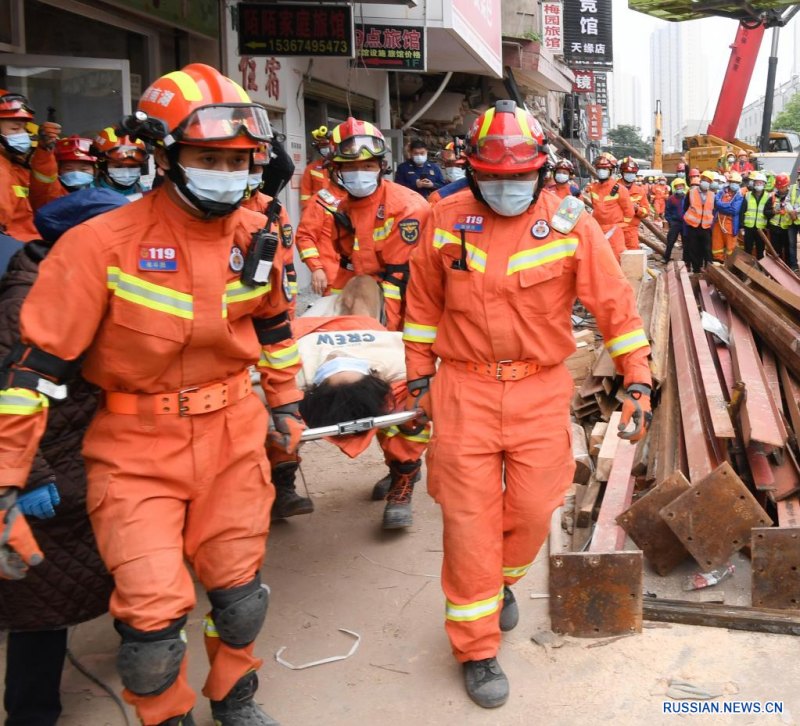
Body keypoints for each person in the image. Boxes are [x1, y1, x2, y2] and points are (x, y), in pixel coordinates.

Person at [0, 63, 304, 726]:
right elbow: (32, 372)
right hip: (135, 451)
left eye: (238, 159)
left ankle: (234, 695)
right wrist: (6, 477)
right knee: (152, 626)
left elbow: (275, 325)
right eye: (206, 157)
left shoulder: (257, 238)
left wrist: (285, 402)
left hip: (234, 436)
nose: (225, 171)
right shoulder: (98, 246)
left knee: (240, 595)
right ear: (165, 157)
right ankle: (167, 716)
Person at [401, 99, 652, 710]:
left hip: (540, 388)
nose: (505, 189)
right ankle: (476, 646)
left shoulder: (570, 223)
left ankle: (503, 581)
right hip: (463, 389)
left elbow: (613, 305)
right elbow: (421, 308)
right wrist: (417, 383)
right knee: (468, 523)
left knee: (538, 507)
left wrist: (637, 379)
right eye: (492, 178)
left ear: (541, 171)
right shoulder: (445, 218)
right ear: (472, 171)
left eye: (518, 178)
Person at [1, 188, 124, 726]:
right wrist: (27, 473)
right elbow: (10, 394)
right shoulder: (25, 301)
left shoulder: (79, 280)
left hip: (91, 452)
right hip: (46, 463)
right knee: (41, 598)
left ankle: (142, 653)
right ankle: (31, 715)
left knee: (128, 564)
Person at [326, 117, 433, 525]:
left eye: (368, 166)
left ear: (382, 166)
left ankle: (405, 475)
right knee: (370, 393)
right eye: (351, 168)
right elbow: (344, 265)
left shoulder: (409, 206)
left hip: (408, 317)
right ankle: (396, 469)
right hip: (369, 315)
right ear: (337, 170)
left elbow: (409, 277)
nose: (359, 174)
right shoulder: (341, 210)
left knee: (407, 397)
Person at [267, 275, 431, 526]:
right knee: (281, 414)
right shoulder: (294, 365)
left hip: (342, 336)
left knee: (410, 412)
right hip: (316, 330)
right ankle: (283, 483)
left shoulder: (395, 359)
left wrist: (418, 406)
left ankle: (403, 476)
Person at [0, 90, 57, 241]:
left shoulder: (14, 166)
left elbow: (44, 202)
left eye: (24, 128)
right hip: (13, 252)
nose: (22, 134)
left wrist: (44, 153)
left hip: (27, 246)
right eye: (15, 128)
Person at [295, 162, 344, 296]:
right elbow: (304, 237)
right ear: (330, 171)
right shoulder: (319, 201)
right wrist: (316, 268)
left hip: (364, 276)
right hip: (334, 277)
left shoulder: (361, 200)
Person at [584, 152, 633, 260]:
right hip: (597, 230)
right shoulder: (593, 188)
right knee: (598, 259)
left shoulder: (620, 189)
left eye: (605, 169)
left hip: (614, 232)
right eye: (600, 168)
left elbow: (629, 212)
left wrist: (620, 226)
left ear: (611, 170)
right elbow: (594, 207)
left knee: (615, 260)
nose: (602, 171)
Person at [29, 135, 98, 209]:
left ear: (95, 171)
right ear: (58, 171)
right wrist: (45, 151)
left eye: (84, 169)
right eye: (68, 169)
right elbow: (44, 172)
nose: (76, 174)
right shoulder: (52, 194)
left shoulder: (102, 195)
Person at [92, 127, 150, 198]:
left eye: (133, 166)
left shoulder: (146, 193)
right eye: (118, 166)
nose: (127, 173)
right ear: (102, 165)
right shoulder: (87, 197)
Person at [683, 169, 716, 273]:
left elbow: (713, 210)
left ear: (710, 183)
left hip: (706, 227)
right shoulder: (691, 192)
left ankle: (708, 268)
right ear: (700, 180)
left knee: (707, 249)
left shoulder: (712, 195)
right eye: (704, 179)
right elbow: (686, 207)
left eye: (708, 181)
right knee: (693, 248)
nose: (706, 182)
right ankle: (696, 269)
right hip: (693, 226)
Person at [618, 157, 650, 250]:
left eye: (632, 173)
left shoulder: (640, 191)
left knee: (632, 257)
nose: (630, 175)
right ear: (622, 173)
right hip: (615, 229)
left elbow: (646, 212)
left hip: (631, 231)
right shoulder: (613, 187)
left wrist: (637, 209)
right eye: (628, 173)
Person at [712, 171, 744, 260]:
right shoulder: (721, 192)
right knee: (717, 245)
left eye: (737, 183)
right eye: (733, 182)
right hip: (717, 224)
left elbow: (734, 210)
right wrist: (727, 206)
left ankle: (729, 265)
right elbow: (716, 203)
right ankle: (718, 261)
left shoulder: (739, 196)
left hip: (730, 225)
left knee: (731, 247)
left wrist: (721, 206)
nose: (734, 184)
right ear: (729, 182)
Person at [299, 125, 332, 210]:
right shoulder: (311, 168)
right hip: (317, 211)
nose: (325, 148)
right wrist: (309, 211)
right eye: (322, 146)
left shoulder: (342, 166)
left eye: (326, 145)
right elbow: (305, 195)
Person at [428, 139, 469, 206]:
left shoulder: (481, 192)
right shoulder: (438, 195)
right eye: (448, 164)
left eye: (458, 165)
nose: (452, 169)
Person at [741, 170, 769, 259]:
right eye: (757, 182)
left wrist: (767, 226)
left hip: (761, 228)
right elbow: (742, 211)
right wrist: (741, 226)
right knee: (747, 250)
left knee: (760, 251)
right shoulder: (747, 195)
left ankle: (760, 269)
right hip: (748, 227)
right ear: (754, 183)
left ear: (764, 184)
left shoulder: (768, 196)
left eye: (761, 182)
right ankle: (747, 269)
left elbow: (769, 212)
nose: (759, 184)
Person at [767, 173, 793, 264]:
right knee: (775, 250)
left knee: (788, 250)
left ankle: (788, 268)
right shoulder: (772, 197)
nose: (781, 189)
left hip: (787, 228)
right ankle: (777, 267)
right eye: (779, 187)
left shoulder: (791, 197)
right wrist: (774, 212)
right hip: (774, 228)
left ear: (787, 185)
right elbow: (766, 212)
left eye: (783, 187)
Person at [664, 177, 687, 262]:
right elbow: (667, 211)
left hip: (685, 223)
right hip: (675, 223)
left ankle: (686, 260)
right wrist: (671, 221)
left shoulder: (686, 198)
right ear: (675, 187)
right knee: (670, 241)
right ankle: (666, 258)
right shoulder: (671, 199)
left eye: (681, 186)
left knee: (686, 242)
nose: (679, 188)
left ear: (684, 187)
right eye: (677, 186)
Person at [787, 177, 800, 272]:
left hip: (796, 216)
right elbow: (786, 201)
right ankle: (793, 265)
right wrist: (791, 211)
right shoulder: (792, 188)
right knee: (791, 244)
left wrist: (795, 211)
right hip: (791, 220)